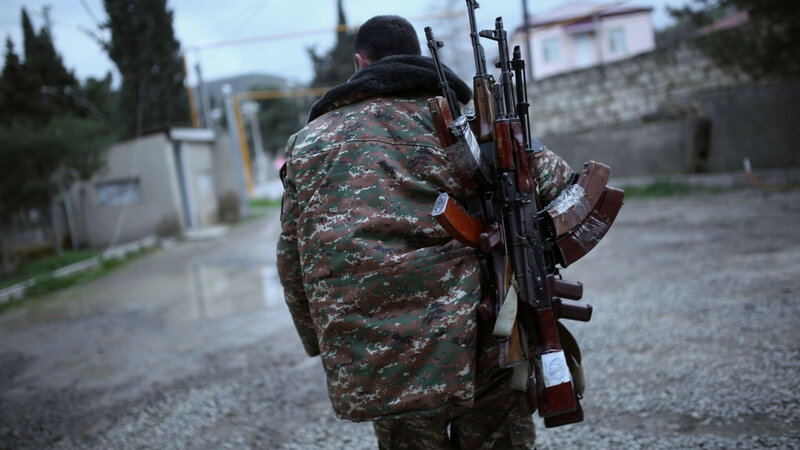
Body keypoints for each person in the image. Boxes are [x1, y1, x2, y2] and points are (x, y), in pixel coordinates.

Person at [277, 15, 575, 449]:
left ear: (360, 63)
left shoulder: (307, 144)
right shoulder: (466, 124)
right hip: (481, 338)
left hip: (379, 355)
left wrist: (322, 340)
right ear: (416, 57)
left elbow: (292, 262)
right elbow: (566, 189)